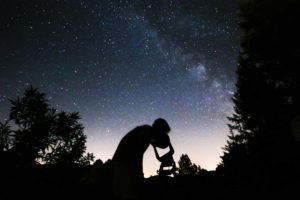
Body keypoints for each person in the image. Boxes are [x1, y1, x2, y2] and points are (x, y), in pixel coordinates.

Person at [112, 118, 171, 199]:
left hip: (120, 161)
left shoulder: (146, 130)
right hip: (123, 163)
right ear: (160, 131)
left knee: (121, 193)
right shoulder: (146, 133)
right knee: (128, 193)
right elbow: (138, 154)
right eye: (163, 133)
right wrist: (140, 174)